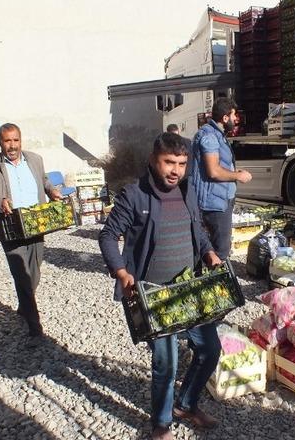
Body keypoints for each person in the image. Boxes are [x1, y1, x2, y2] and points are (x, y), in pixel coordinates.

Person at [98, 132, 223, 440]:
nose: (175, 170)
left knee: (210, 350)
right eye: (169, 162)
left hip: (189, 289)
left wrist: (208, 252)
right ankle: (161, 424)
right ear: (154, 160)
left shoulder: (188, 190)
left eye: (181, 163)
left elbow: (199, 231)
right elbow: (108, 236)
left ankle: (186, 404)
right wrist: (122, 272)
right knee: (166, 362)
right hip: (155, 294)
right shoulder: (134, 195)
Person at [0, 123, 62, 346]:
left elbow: (43, 181)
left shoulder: (35, 159)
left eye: (15, 140)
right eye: (7, 141)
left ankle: (24, 306)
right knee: (22, 276)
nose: (12, 145)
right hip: (11, 227)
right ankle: (35, 328)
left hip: (36, 223)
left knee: (34, 273)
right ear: (0, 143)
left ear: (21, 140)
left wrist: (51, 190)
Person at [190, 98, 251, 260]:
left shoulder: (217, 134)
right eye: (233, 115)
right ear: (225, 118)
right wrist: (238, 176)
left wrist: (232, 170)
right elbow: (213, 171)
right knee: (220, 251)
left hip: (220, 200)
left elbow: (218, 164)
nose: (236, 119)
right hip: (213, 204)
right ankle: (214, 281)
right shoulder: (209, 136)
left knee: (217, 248)